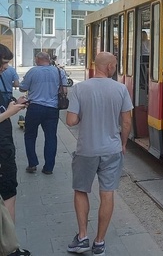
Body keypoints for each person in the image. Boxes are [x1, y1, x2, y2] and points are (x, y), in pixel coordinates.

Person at [66, 52, 133, 255]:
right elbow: (127, 122)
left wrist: (82, 118)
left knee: (80, 190)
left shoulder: (79, 88)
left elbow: (70, 121)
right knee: (107, 194)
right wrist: (123, 144)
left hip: (86, 149)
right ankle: (100, 242)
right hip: (111, 150)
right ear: (110, 67)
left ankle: (83, 237)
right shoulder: (121, 89)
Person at [0, 44, 31, 256]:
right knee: (8, 191)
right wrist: (10, 112)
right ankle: (9, 248)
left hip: (5, 145)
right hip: (1, 150)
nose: (5, 68)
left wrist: (14, 103)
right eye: (3, 63)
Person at [19, 52, 67, 175]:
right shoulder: (58, 71)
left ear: (37, 60)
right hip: (52, 109)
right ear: (48, 60)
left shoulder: (32, 72)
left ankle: (32, 163)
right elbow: (64, 90)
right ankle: (48, 168)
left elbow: (22, 88)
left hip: (34, 108)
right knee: (51, 137)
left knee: (30, 136)